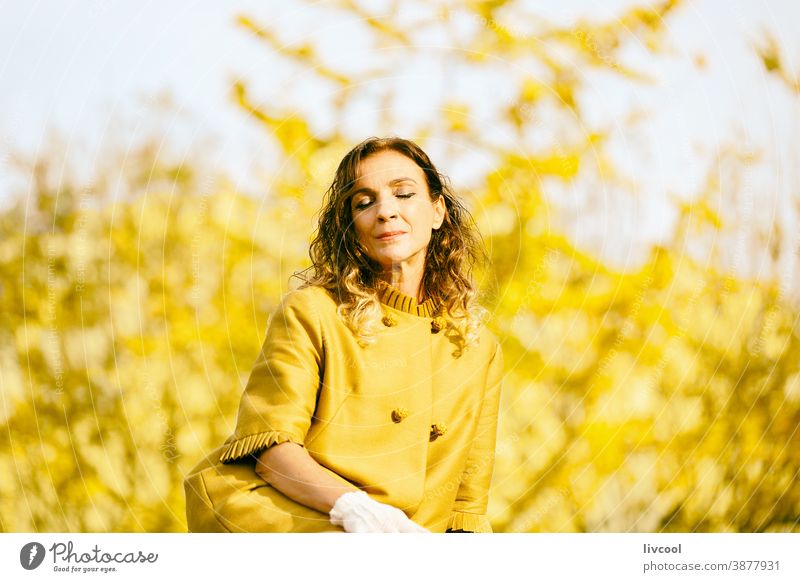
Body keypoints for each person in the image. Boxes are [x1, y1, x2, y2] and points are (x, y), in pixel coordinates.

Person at [184, 136, 504, 533]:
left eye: (404, 194)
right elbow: (270, 446)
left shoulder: (476, 347)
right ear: (352, 228)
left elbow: (466, 507)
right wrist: (352, 508)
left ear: (438, 211)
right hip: (307, 521)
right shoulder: (313, 312)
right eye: (364, 202)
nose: (386, 211)